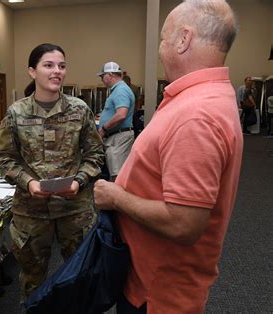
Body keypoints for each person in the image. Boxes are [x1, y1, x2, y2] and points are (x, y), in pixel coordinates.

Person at [94, 0, 242, 312]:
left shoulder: (196, 115)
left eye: (163, 38)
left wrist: (116, 197)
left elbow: (183, 224)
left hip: (158, 293)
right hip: (150, 279)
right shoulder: (199, 97)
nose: (160, 48)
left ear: (184, 39)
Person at [0, 43, 104, 299]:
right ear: (32, 72)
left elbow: (95, 155)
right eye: (49, 65)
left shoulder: (79, 110)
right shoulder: (16, 113)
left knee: (79, 275)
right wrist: (28, 182)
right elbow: (4, 158)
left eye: (62, 66)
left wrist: (79, 181)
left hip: (74, 208)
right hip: (31, 211)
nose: (57, 71)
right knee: (33, 279)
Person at [97, 62, 135, 181]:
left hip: (118, 137)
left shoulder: (120, 90)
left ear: (110, 75)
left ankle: (117, 199)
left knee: (117, 177)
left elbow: (121, 114)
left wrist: (103, 129)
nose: (102, 79)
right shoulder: (119, 90)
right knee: (116, 174)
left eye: (102, 76)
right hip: (117, 136)